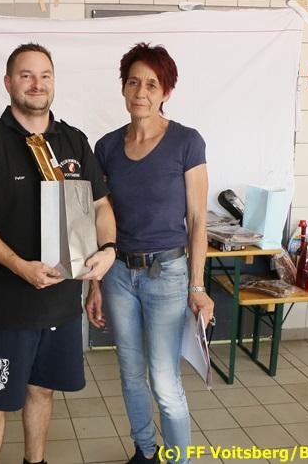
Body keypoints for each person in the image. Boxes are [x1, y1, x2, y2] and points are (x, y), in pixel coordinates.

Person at [0, 43, 117, 464]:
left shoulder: (74, 141)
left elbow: (100, 206)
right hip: (5, 303)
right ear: (8, 82)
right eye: (26, 75)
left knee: (42, 389)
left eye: (45, 75)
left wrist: (107, 253)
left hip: (60, 302)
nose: (36, 83)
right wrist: (18, 266)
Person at [85, 42, 214, 464]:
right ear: (124, 88)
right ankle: (145, 450)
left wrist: (198, 286)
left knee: (164, 380)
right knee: (129, 372)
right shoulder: (106, 147)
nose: (141, 92)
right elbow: (99, 217)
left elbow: (198, 220)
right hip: (118, 274)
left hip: (168, 274)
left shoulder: (186, 142)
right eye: (133, 82)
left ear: (166, 92)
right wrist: (95, 285)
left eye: (152, 84)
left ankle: (178, 459)